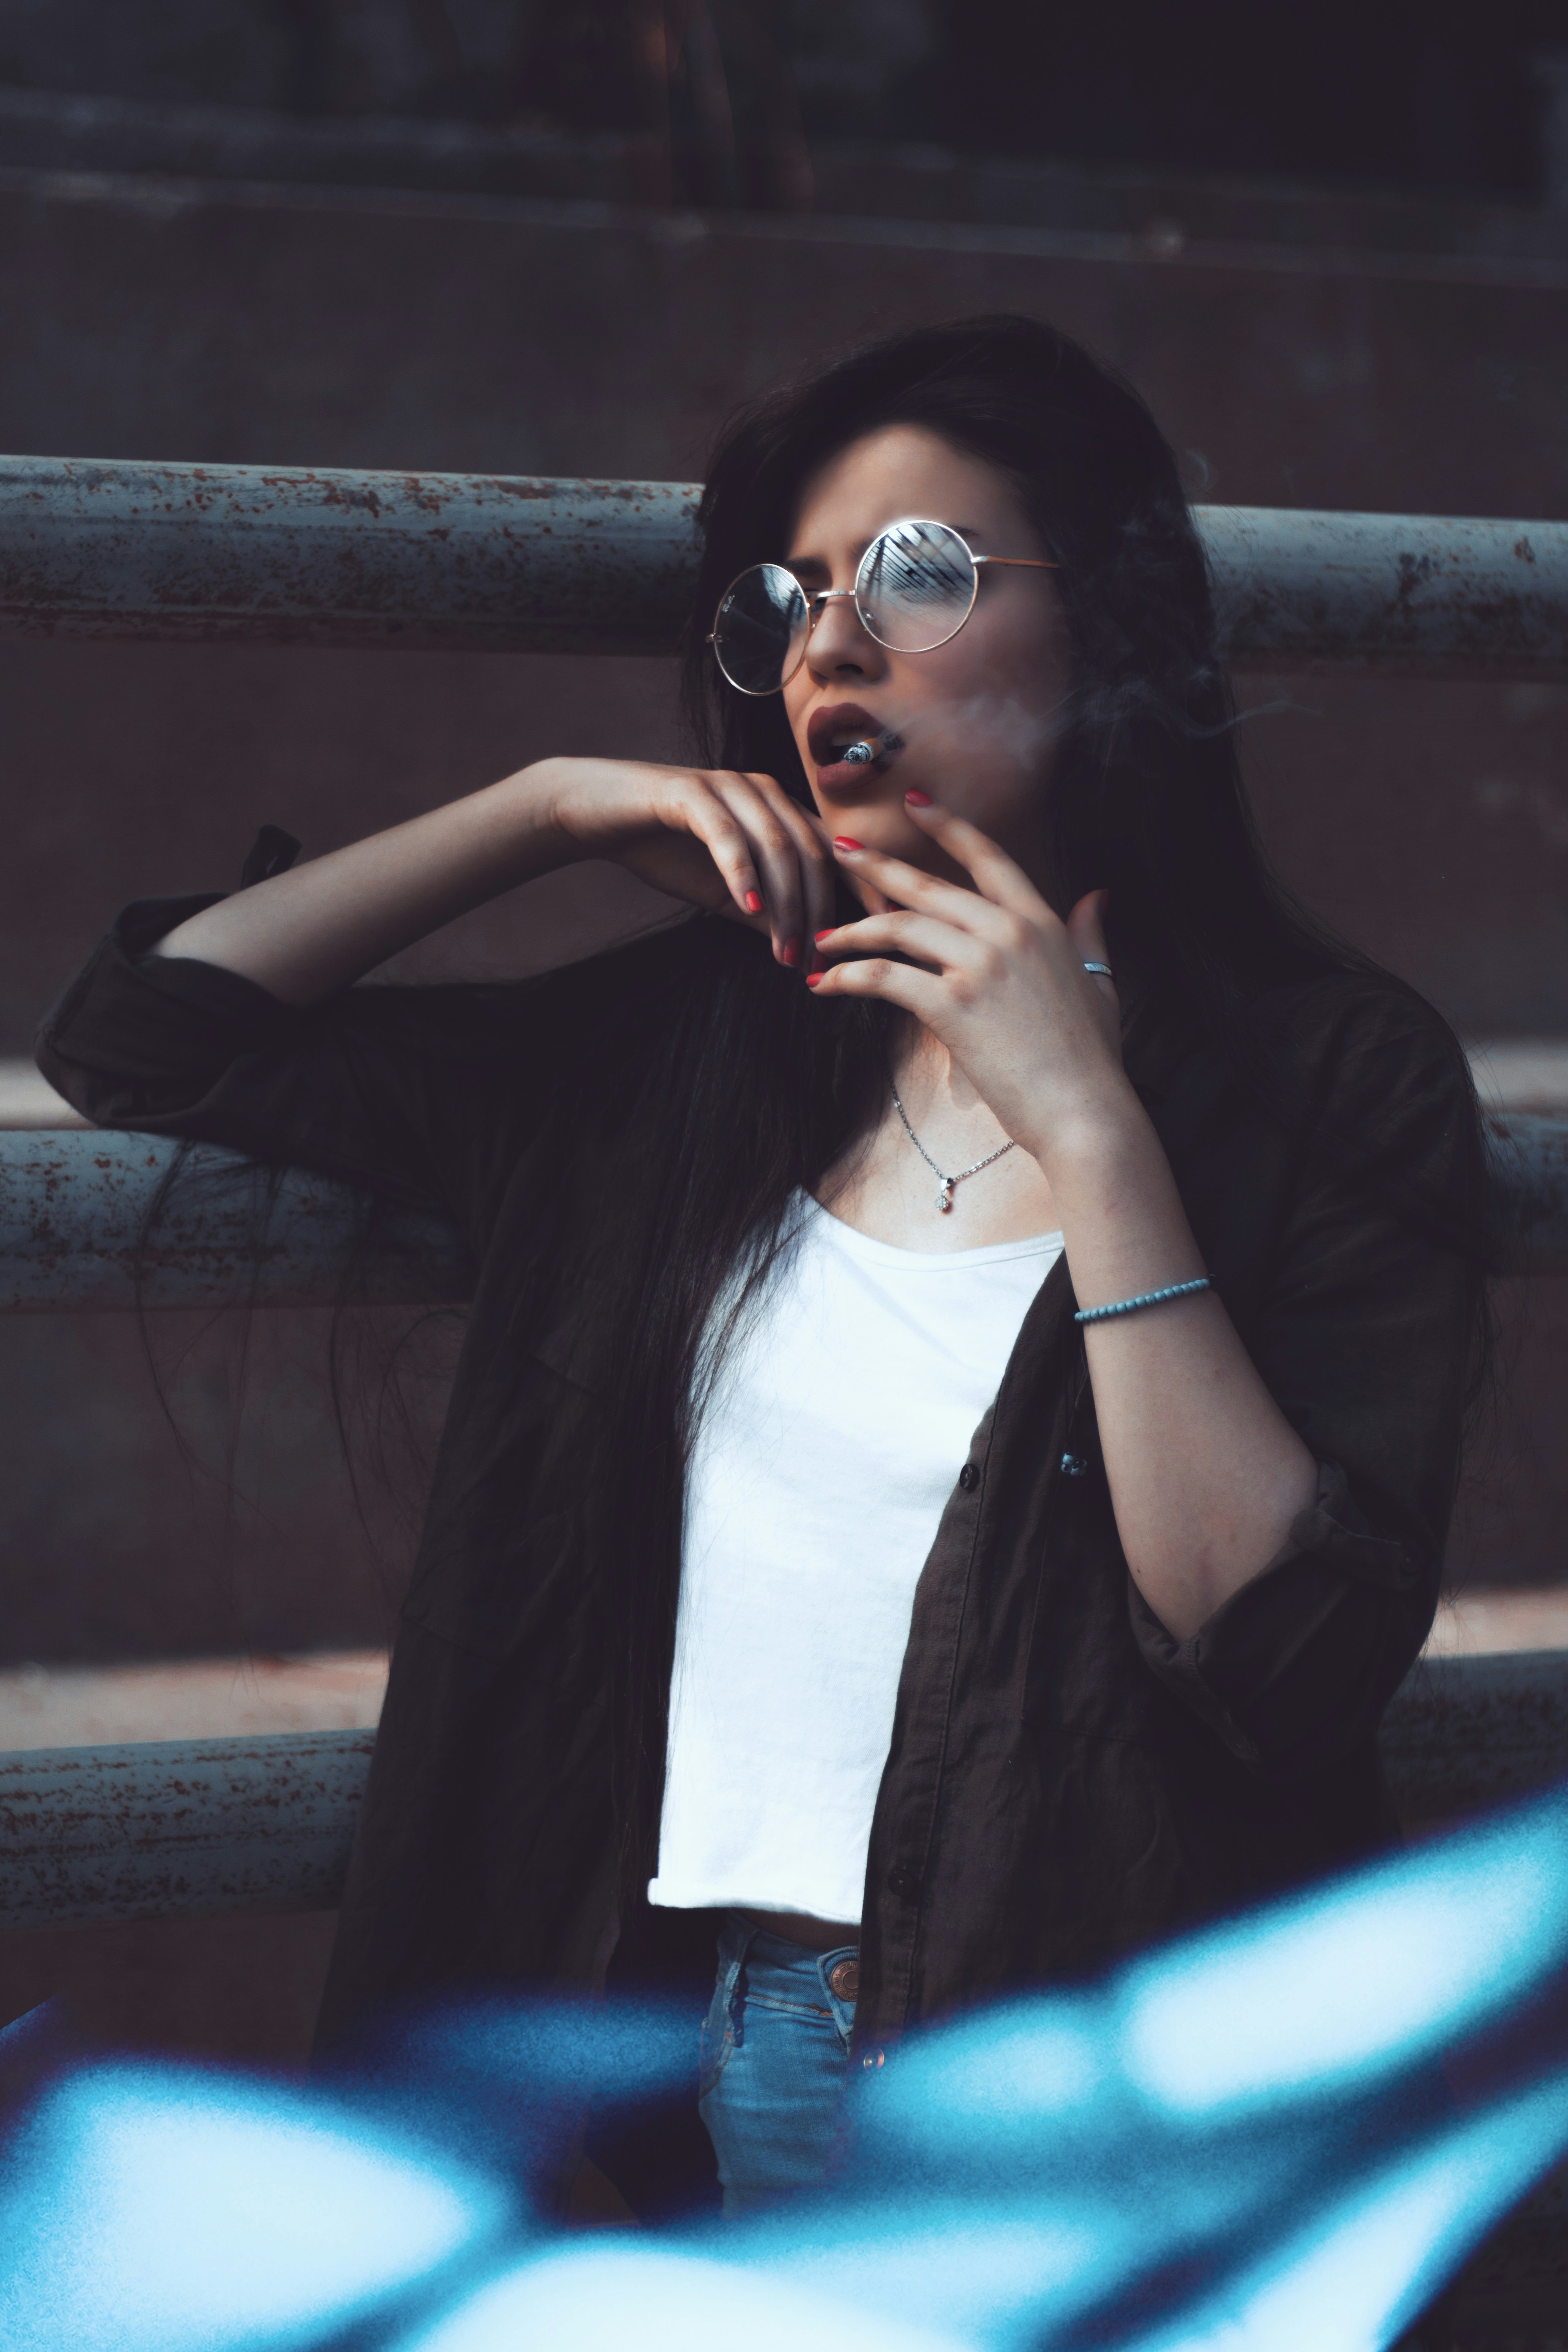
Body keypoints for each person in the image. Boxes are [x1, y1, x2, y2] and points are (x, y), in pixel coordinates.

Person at [36, 314, 1486, 2219]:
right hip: (653, 2055)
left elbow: (1277, 1654)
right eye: (795, 600)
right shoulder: (686, 1053)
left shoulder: (1328, 1075)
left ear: (1117, 632)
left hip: (1052, 2094)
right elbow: (148, 1040)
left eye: (921, 573)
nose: (833, 642)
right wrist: (538, 811)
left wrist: (1094, 1133)